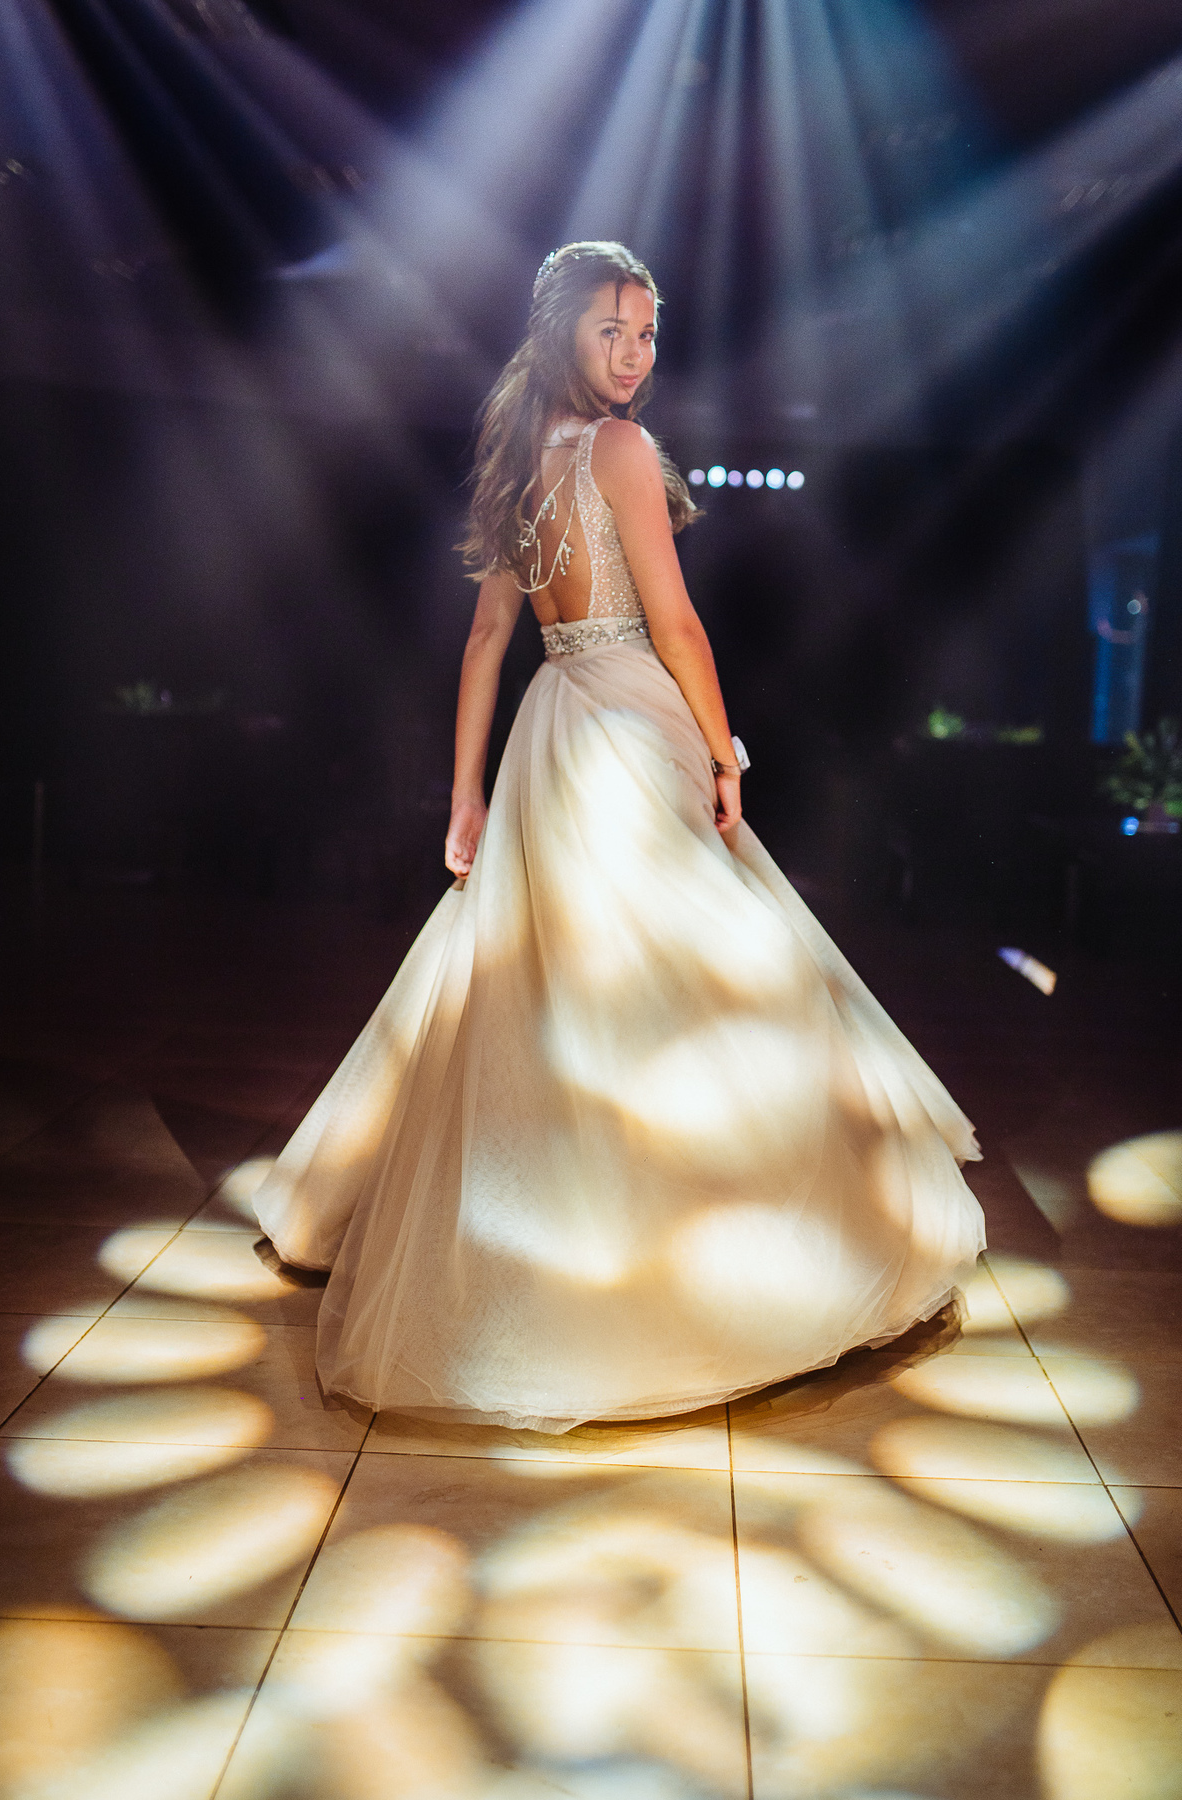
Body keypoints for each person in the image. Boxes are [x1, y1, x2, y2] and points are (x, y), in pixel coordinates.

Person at [254, 240, 985, 1434]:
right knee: (706, 980)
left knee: (563, 997)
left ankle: (568, 1237)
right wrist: (724, 751)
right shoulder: (619, 450)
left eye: (647, 331)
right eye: (612, 330)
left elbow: (489, 642)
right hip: (628, 720)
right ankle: (719, 1261)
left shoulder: (515, 461)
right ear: (563, 334)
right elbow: (678, 623)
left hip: (551, 725)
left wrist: (466, 792)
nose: (636, 353)